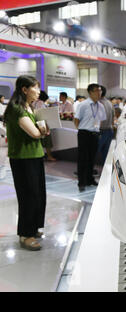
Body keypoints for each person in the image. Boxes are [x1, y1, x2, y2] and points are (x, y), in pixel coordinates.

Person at [3, 75, 50, 251]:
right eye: (35, 88)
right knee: (28, 197)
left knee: (38, 195)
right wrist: (42, 130)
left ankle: (34, 228)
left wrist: (43, 130)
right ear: (24, 89)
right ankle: (25, 234)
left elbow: (39, 132)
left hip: (35, 155)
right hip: (22, 158)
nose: (38, 92)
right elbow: (35, 133)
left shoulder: (29, 107)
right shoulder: (16, 109)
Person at [74, 83, 106, 192]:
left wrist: (96, 130)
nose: (99, 93)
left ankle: (89, 179)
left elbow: (100, 120)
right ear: (90, 92)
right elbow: (76, 120)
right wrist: (83, 129)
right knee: (83, 159)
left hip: (95, 134)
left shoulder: (100, 106)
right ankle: (81, 182)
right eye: (97, 91)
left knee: (92, 158)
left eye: (100, 91)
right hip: (84, 133)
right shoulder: (83, 105)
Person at [33, 91, 56, 161]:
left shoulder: (34, 102)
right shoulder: (40, 103)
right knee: (47, 140)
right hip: (41, 124)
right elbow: (42, 115)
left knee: (39, 140)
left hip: (36, 123)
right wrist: (46, 126)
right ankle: (49, 156)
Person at [98, 86, 114, 166]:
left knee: (93, 152)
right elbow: (113, 118)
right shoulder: (109, 103)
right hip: (109, 130)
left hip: (101, 131)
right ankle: (106, 173)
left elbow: (98, 119)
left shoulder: (99, 103)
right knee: (106, 154)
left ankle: (88, 172)